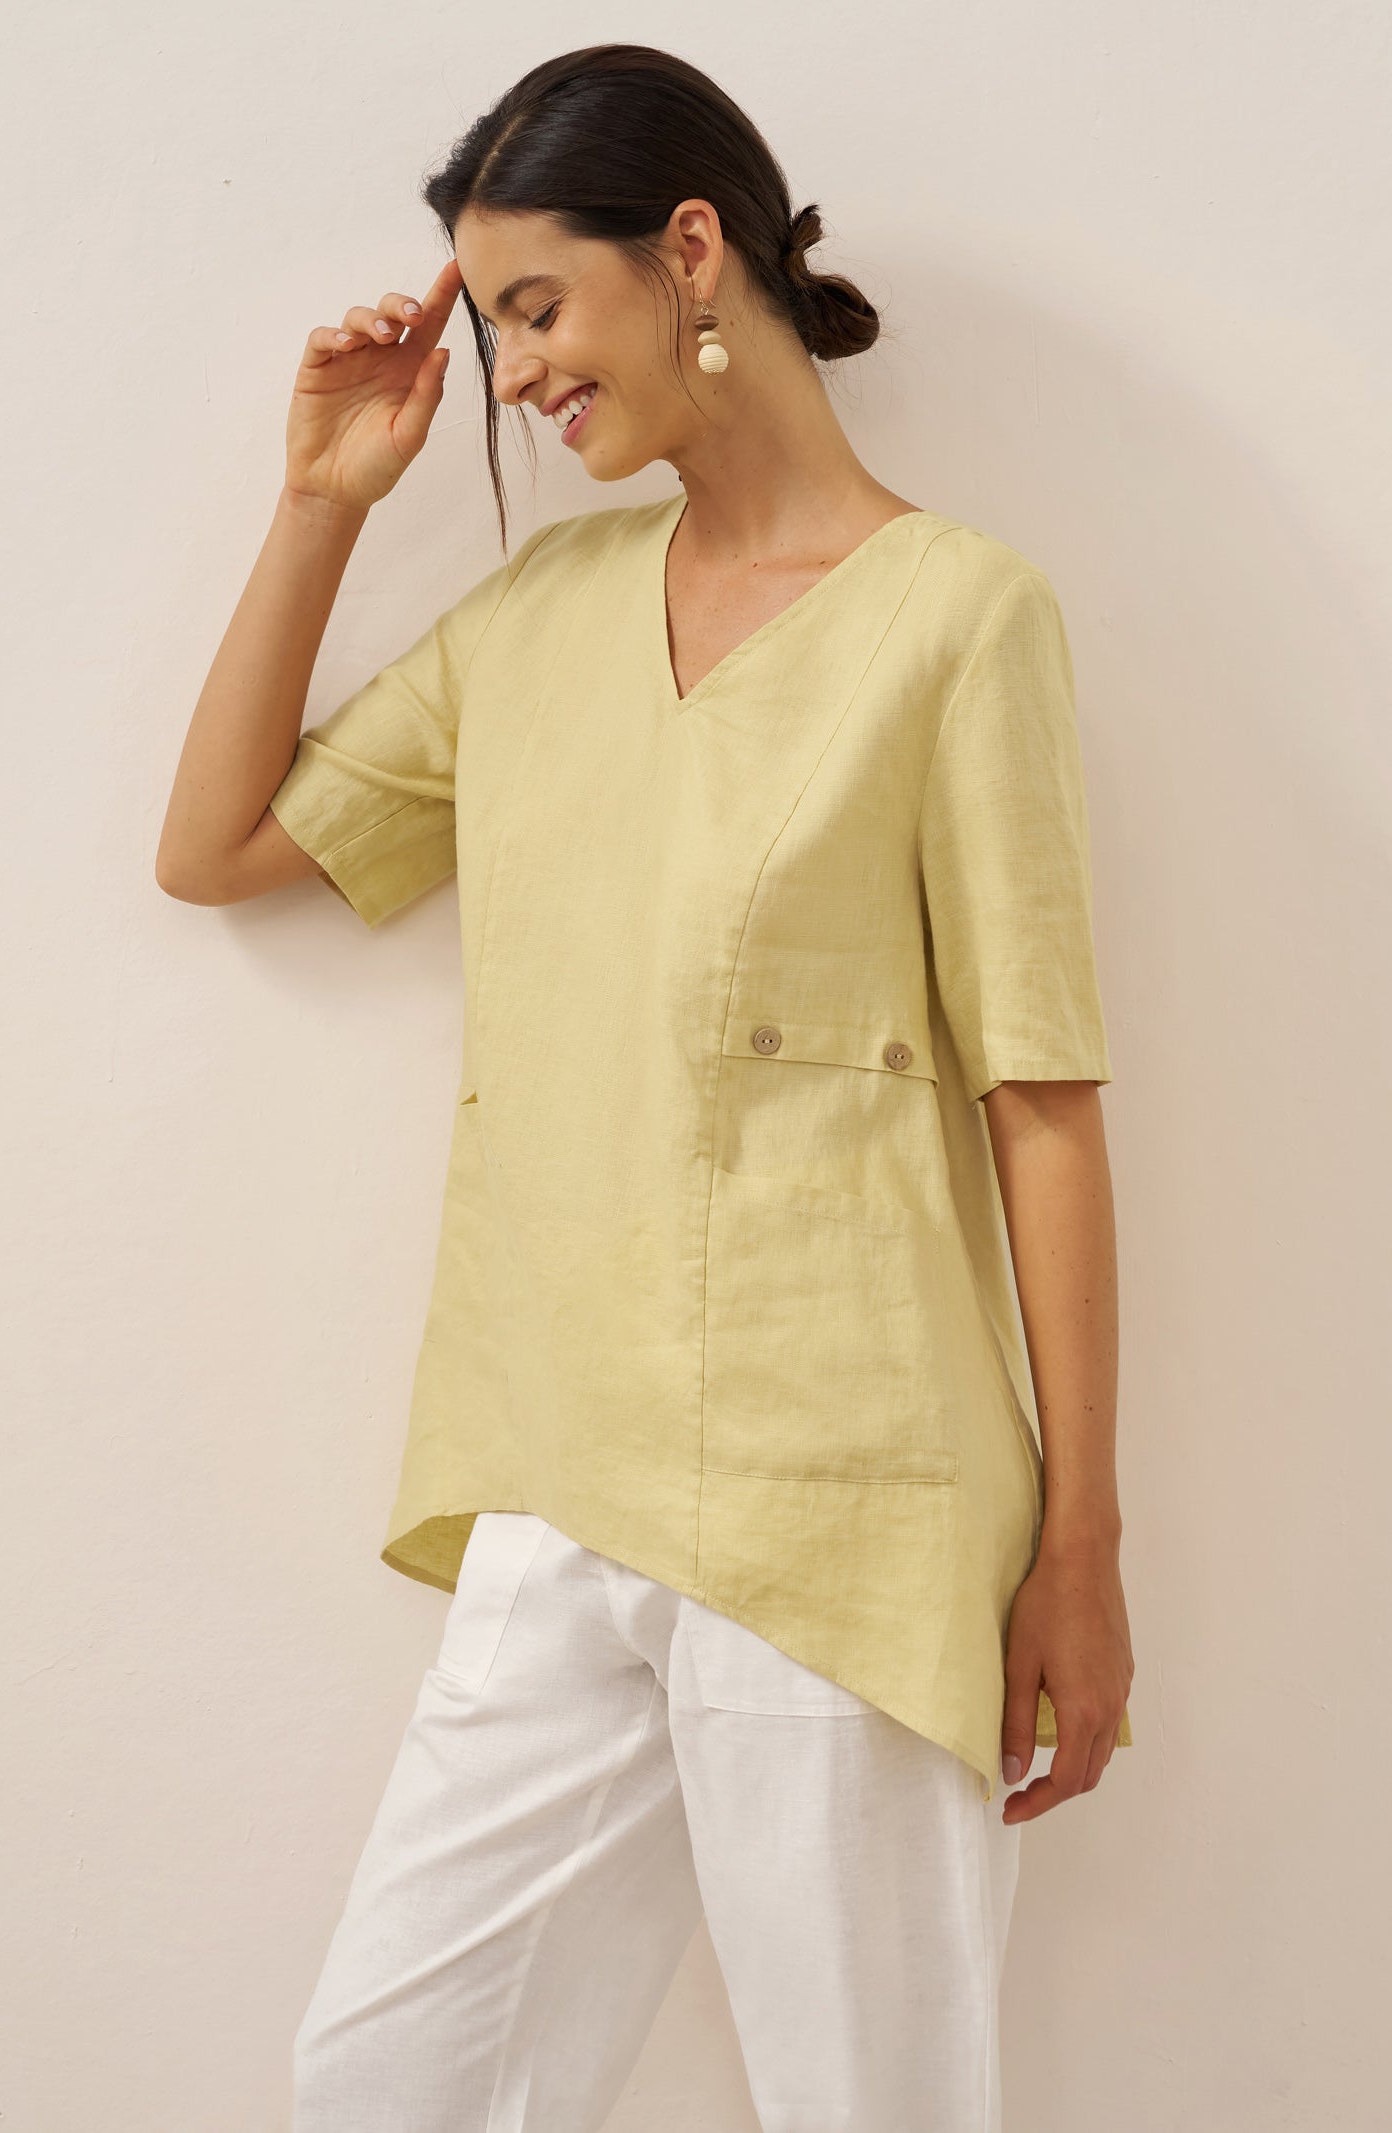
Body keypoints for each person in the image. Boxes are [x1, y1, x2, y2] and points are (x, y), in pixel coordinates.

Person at [156, 41, 1134, 2133]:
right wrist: (321, 504)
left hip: (848, 1495)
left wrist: (1081, 1541)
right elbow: (216, 845)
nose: (512, 374)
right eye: (491, 328)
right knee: (384, 2083)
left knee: (872, 2105)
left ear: (690, 250)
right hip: (561, 1477)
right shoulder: (541, 617)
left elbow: (1039, 1098)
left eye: (535, 307)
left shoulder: (957, 618)